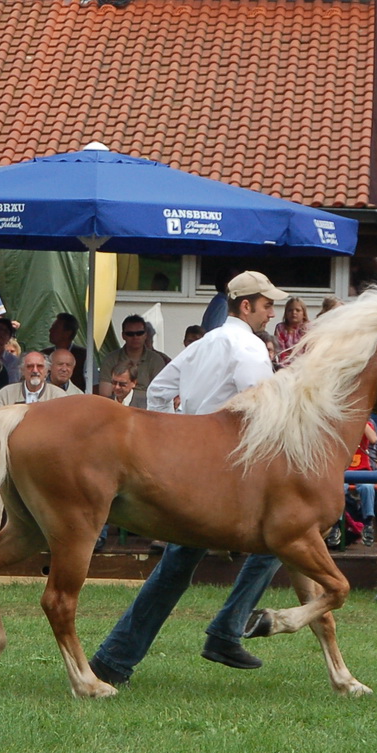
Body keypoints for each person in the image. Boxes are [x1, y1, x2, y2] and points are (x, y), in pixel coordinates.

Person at [89, 270, 288, 685]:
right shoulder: (250, 348)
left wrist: (178, 435)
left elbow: (159, 391)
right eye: (267, 305)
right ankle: (226, 630)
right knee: (278, 538)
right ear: (246, 306)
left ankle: (114, 660)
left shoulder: (207, 342)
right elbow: (264, 412)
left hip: (191, 468)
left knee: (177, 566)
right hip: (230, 471)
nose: (273, 312)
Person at [98, 314, 171, 389]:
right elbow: (105, 393)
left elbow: (159, 392)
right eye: (130, 334)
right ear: (123, 336)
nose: (135, 337)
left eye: (139, 333)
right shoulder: (110, 359)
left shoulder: (156, 360)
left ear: (145, 335)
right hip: (117, 401)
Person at [45, 314, 87, 389]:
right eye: (60, 364)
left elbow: (94, 385)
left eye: (55, 328)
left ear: (68, 333)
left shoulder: (84, 355)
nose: (50, 330)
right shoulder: (44, 355)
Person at [272, 298, 310, 365]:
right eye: (290, 310)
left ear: (304, 314)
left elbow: (310, 350)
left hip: (304, 365)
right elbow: (279, 350)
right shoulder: (281, 328)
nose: (294, 312)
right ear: (285, 314)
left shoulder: (308, 329)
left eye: (297, 310)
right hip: (285, 365)